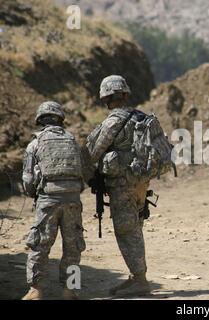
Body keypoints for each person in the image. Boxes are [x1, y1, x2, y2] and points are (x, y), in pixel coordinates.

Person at [82, 75, 151, 297]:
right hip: (142, 182)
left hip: (122, 184)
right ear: (126, 94)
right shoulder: (142, 117)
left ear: (105, 98)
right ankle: (136, 277)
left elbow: (92, 153)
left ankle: (139, 280)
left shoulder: (112, 122)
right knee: (135, 226)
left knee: (126, 229)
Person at [22, 101, 85, 300]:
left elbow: (28, 179)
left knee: (40, 245)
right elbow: (81, 170)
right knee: (73, 246)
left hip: (48, 199)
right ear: (60, 119)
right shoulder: (72, 140)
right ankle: (70, 290)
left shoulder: (35, 143)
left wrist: (35, 195)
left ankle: (36, 290)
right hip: (73, 199)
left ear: (40, 120)